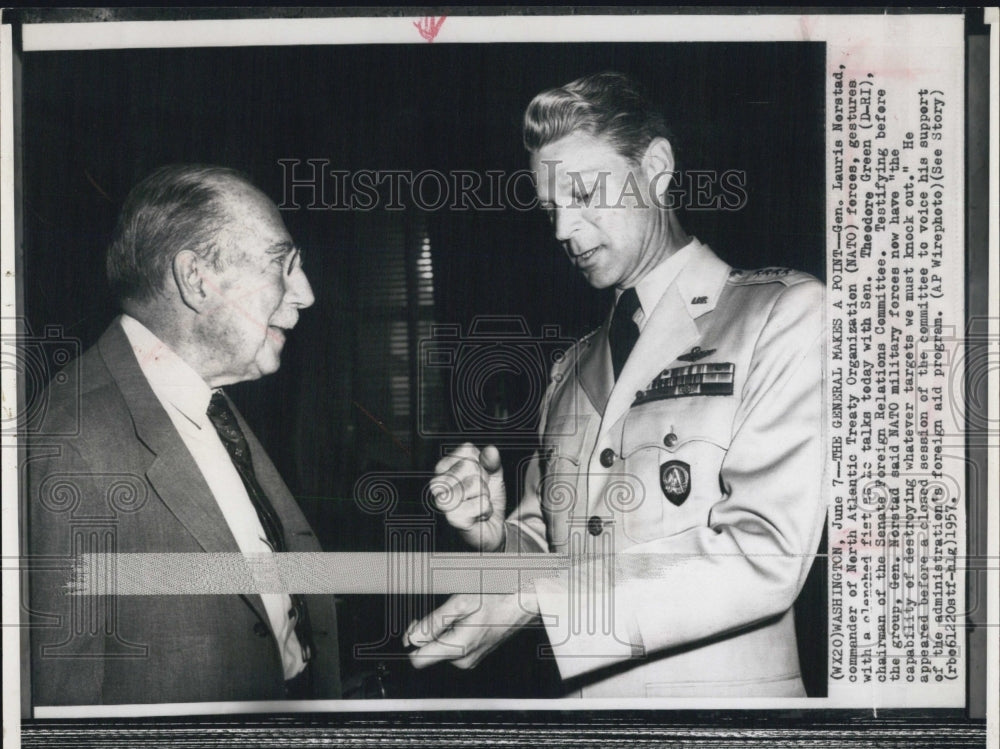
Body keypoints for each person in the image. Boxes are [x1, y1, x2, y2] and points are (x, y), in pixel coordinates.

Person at [405, 72, 826, 698]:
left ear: (656, 167)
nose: (560, 230)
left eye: (582, 194)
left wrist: (537, 599)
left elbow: (765, 554)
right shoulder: (570, 367)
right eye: (551, 207)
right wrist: (494, 534)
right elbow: (550, 551)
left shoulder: (782, 315)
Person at [27, 164, 341, 705]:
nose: (306, 294)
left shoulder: (209, 399)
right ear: (197, 279)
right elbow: (62, 714)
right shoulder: (73, 443)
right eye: (281, 266)